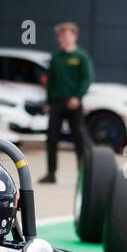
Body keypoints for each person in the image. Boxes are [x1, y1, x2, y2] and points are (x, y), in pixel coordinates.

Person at [39, 21, 93, 184]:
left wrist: (78, 96)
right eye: (60, 36)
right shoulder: (56, 57)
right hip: (57, 103)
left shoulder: (81, 57)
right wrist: (48, 101)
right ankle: (51, 173)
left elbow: (87, 79)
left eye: (66, 35)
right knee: (52, 138)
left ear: (74, 37)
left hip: (74, 103)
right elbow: (50, 81)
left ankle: (83, 174)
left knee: (79, 139)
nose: (62, 39)